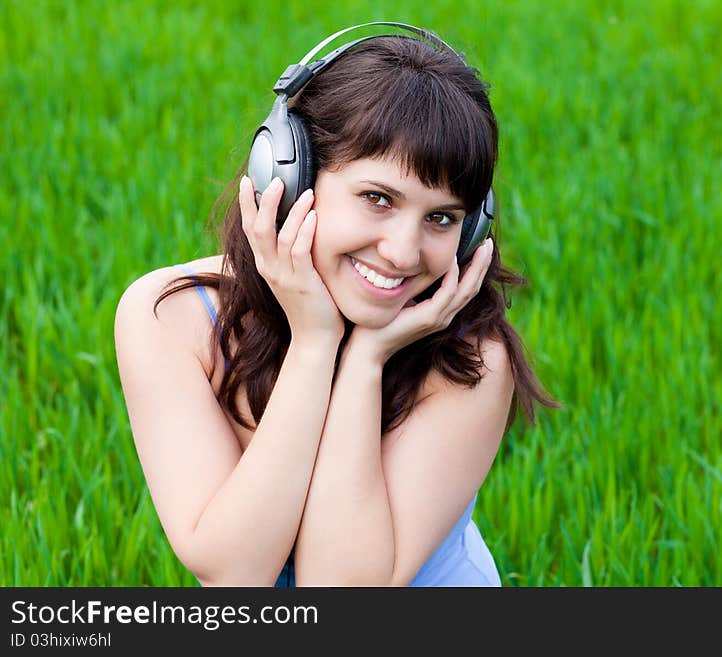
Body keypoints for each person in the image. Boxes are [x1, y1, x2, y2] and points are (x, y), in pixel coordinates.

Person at [114, 24, 558, 587]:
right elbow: (235, 576)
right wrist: (316, 342)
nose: (402, 252)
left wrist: (365, 359)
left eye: (441, 218)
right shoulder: (169, 317)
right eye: (378, 199)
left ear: (471, 230)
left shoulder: (470, 358)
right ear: (288, 176)